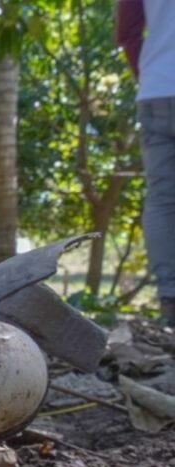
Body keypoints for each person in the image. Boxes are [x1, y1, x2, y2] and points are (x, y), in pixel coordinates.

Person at [117, 0, 175, 323]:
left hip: (157, 90)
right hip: (156, 85)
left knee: (163, 199)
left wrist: (153, 75)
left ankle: (170, 299)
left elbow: (127, 31)